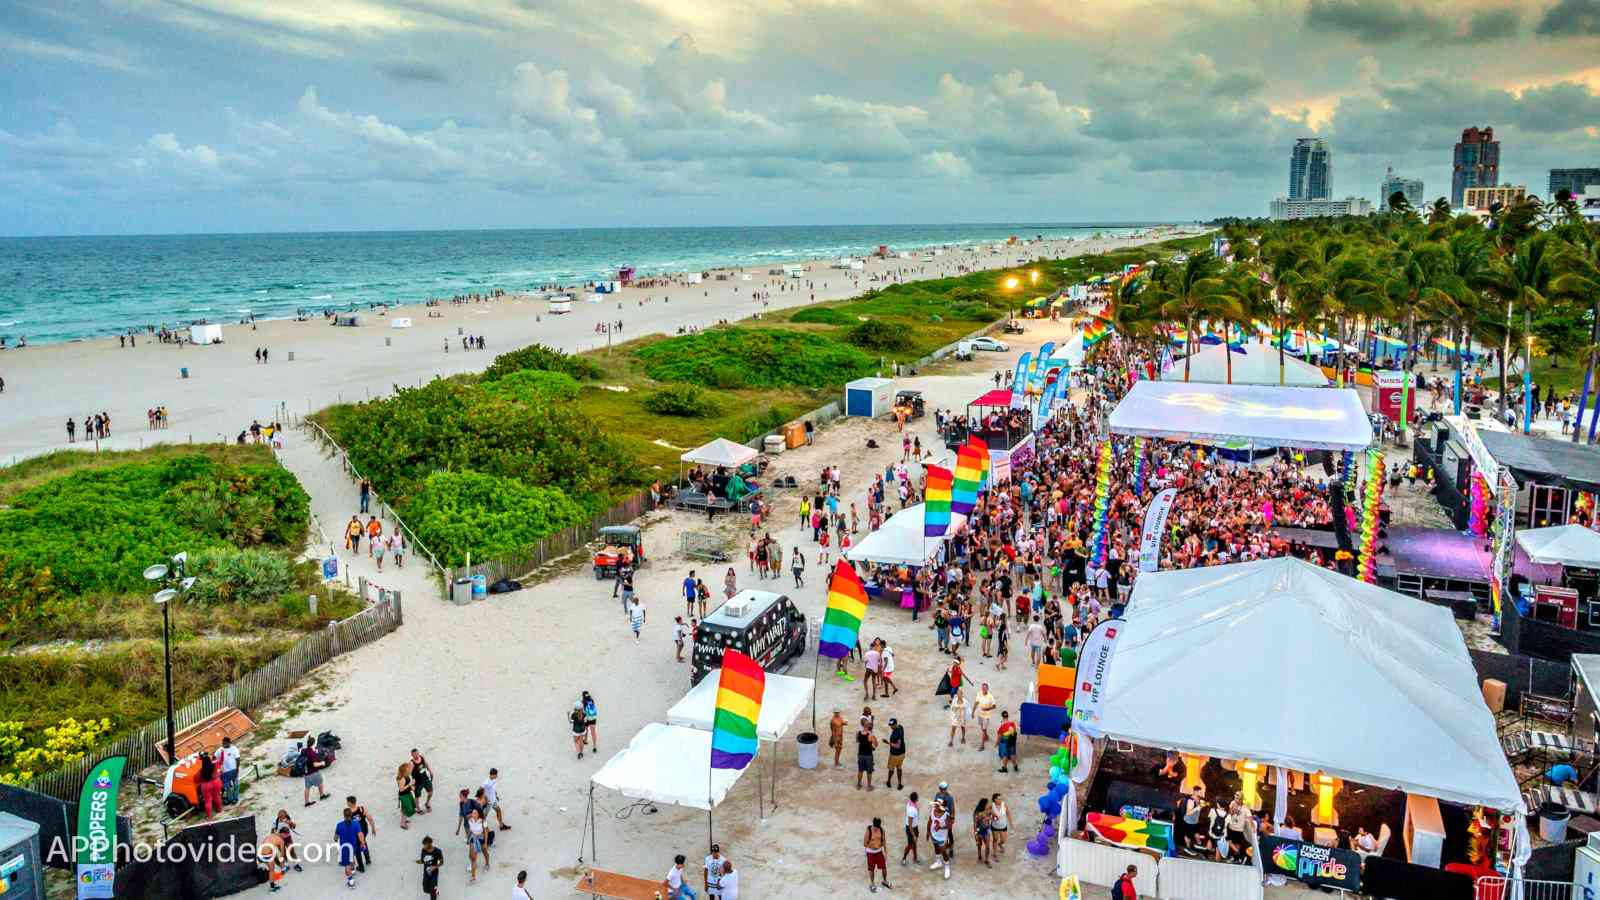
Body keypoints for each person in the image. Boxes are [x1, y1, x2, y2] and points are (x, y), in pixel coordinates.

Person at [335, 808, 365, 888]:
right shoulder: (356, 824)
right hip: (353, 846)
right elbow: (360, 835)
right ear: (351, 815)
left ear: (344, 815)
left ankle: (351, 882)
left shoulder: (339, 825)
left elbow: (335, 838)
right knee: (352, 857)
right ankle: (353, 870)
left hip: (344, 849)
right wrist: (362, 843)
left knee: (346, 865)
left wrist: (337, 838)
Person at [346, 796, 375, 872]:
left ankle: (361, 867)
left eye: (347, 802)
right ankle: (368, 860)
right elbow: (370, 818)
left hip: (356, 833)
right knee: (364, 842)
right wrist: (373, 828)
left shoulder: (348, 813)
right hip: (364, 830)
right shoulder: (362, 809)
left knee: (357, 849)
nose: (346, 804)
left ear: (350, 803)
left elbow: (348, 826)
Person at [864, 816, 892, 892]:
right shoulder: (869, 830)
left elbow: (884, 842)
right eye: (875, 827)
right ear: (873, 824)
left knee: (884, 867)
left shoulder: (882, 830)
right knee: (871, 869)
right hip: (870, 852)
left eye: (877, 827)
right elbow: (865, 843)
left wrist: (886, 853)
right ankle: (872, 884)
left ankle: (885, 881)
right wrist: (873, 846)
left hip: (879, 852)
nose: (876, 829)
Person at [301, 741, 331, 807]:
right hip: (313, 772)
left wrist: (315, 751)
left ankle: (306, 802)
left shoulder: (304, 750)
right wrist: (322, 763)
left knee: (307, 788)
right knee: (320, 782)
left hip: (306, 773)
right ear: (313, 744)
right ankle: (322, 795)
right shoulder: (312, 753)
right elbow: (315, 764)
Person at [408, 749, 434, 813]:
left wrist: (430, 771)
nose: (416, 755)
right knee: (417, 796)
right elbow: (408, 774)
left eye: (417, 753)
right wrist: (411, 785)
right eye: (414, 754)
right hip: (417, 782)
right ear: (412, 755)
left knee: (430, 792)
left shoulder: (422, 757)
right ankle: (418, 808)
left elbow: (426, 764)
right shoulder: (411, 763)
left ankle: (427, 803)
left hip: (425, 779)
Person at [974, 683, 997, 750]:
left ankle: (982, 745)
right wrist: (973, 712)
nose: (983, 689)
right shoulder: (979, 694)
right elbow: (976, 702)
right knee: (982, 728)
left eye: (985, 688)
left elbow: (994, 706)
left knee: (983, 729)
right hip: (980, 714)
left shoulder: (990, 697)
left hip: (986, 716)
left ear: (987, 689)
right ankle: (986, 736)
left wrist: (987, 709)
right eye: (982, 688)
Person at [856, 722, 879, 791]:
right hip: (868, 755)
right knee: (869, 771)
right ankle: (869, 786)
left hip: (860, 755)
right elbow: (876, 744)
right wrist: (873, 746)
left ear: (863, 726)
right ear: (871, 728)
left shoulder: (858, 733)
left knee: (860, 770)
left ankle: (858, 785)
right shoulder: (871, 735)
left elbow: (857, 741)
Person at [885, 718, 907, 791]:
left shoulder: (895, 734)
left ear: (895, 724)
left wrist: (888, 743)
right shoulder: (901, 727)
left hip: (895, 755)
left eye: (891, 725)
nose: (890, 727)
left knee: (891, 769)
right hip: (902, 753)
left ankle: (888, 781)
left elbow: (898, 746)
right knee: (899, 768)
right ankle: (899, 784)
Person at [218, 736, 240, 805]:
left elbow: (238, 759)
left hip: (233, 770)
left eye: (225, 743)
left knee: (236, 784)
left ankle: (235, 797)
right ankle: (230, 798)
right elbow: (214, 757)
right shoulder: (220, 750)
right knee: (227, 786)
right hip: (224, 772)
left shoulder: (234, 749)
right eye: (223, 743)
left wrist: (237, 768)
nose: (223, 745)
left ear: (229, 743)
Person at [902, 791, 921, 865]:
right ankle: (904, 858)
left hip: (915, 827)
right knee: (910, 845)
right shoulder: (912, 810)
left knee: (914, 843)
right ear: (916, 799)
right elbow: (910, 825)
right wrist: (913, 835)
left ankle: (915, 857)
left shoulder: (910, 803)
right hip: (911, 829)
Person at [397, 762, 416, 829]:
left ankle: (404, 820)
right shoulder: (402, 778)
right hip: (404, 796)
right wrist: (409, 785)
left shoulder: (407, 776)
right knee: (407, 809)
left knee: (404, 808)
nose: (410, 769)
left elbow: (407, 785)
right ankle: (402, 824)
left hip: (407, 794)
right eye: (408, 768)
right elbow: (401, 789)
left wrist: (411, 788)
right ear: (405, 770)